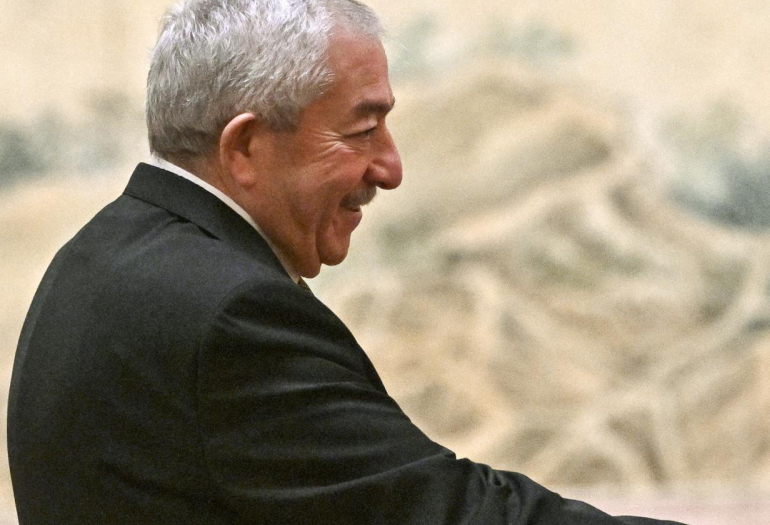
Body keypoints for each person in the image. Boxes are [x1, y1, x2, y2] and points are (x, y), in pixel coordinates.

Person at [6, 1, 684, 523]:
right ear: (244, 147)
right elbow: (443, 511)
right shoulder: (232, 317)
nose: (389, 167)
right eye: (362, 131)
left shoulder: (100, 254)